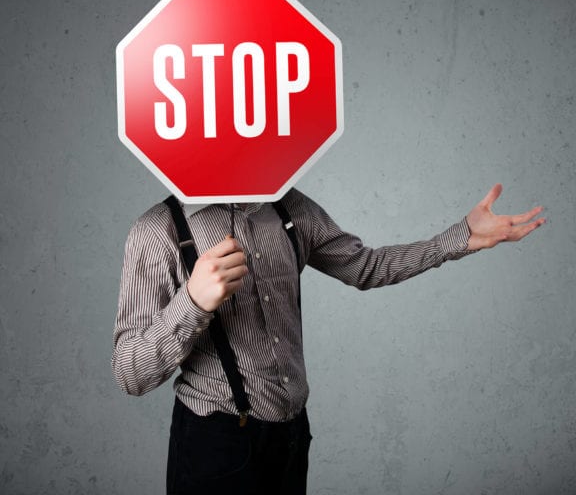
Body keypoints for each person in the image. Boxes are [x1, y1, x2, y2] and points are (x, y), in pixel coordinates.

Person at [112, 183, 544, 494]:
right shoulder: (158, 230)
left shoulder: (286, 206)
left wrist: (461, 237)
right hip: (216, 442)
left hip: (290, 435)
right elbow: (130, 373)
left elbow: (365, 266)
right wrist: (192, 301)